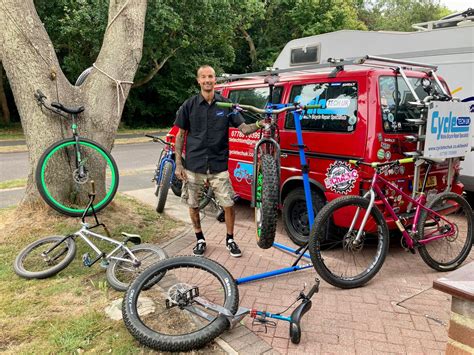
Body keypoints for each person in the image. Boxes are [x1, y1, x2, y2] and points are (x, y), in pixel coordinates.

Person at [174, 65, 264, 257]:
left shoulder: (226, 105)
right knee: (193, 204)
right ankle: (200, 239)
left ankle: (230, 239)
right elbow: (180, 135)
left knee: (228, 204)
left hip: (218, 164)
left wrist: (259, 124)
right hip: (194, 164)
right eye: (204, 77)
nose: (207, 80)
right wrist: (179, 164)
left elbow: (244, 129)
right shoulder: (188, 106)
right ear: (198, 80)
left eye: (211, 77)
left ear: (215, 80)